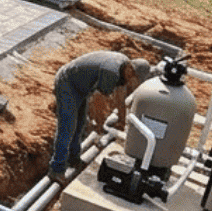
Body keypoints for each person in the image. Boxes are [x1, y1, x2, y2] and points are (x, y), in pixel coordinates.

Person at [49, 50, 151, 181]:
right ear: (131, 69)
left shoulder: (124, 69)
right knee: (68, 127)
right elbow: (98, 102)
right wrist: (99, 126)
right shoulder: (111, 72)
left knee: (79, 125)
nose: (133, 83)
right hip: (68, 83)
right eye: (134, 79)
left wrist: (122, 119)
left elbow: (120, 96)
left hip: (81, 87)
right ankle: (56, 169)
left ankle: (73, 159)